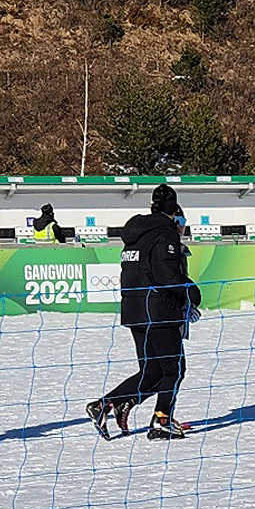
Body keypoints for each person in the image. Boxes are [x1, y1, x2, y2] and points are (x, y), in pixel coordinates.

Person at [86, 183, 201, 441]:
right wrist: (191, 293)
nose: (182, 226)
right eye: (181, 220)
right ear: (174, 215)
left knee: (152, 372)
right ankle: (162, 420)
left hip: (135, 311)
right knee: (174, 369)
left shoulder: (136, 235)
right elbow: (166, 275)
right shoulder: (165, 233)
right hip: (158, 312)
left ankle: (108, 405)